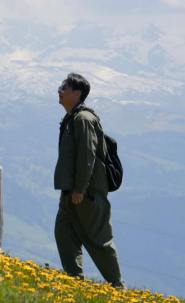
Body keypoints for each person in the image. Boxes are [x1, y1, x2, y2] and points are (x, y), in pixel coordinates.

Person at [55, 73, 126, 290]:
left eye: (64, 87)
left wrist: (80, 188)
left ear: (77, 93)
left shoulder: (83, 119)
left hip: (86, 191)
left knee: (97, 239)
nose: (59, 90)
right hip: (71, 190)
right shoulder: (72, 118)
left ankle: (117, 286)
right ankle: (73, 281)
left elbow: (87, 154)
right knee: (64, 233)